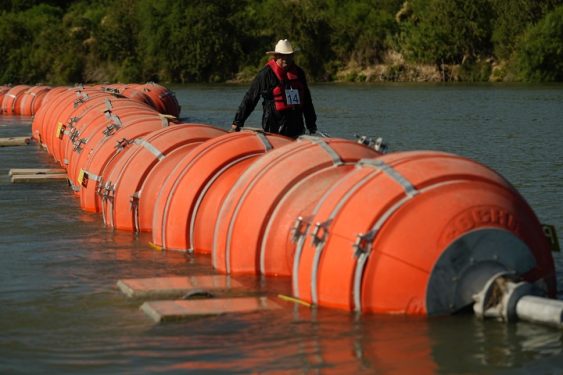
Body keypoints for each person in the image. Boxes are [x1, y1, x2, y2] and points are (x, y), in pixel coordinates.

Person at [231, 39, 317, 138]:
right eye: (282, 55)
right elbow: (250, 98)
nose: (286, 58)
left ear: (292, 56)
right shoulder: (266, 74)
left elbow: (307, 100)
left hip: (296, 128)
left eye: (288, 55)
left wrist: (311, 124)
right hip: (273, 127)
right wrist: (237, 122)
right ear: (275, 56)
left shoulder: (299, 73)